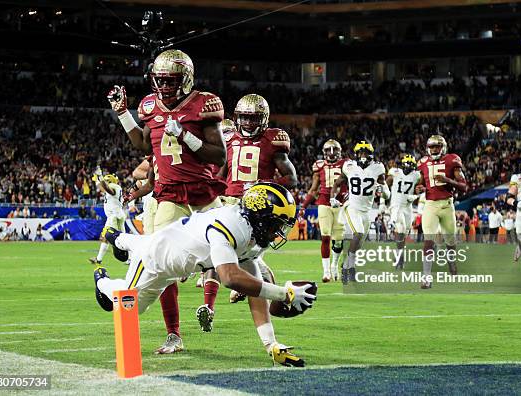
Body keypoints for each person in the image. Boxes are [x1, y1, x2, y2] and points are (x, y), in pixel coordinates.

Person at [94, 182, 314, 367]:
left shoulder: (253, 234)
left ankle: (118, 238)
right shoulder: (231, 224)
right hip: (154, 261)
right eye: (275, 224)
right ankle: (102, 280)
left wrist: (271, 344)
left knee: (135, 245)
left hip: (173, 258)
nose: (277, 233)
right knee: (127, 308)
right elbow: (230, 277)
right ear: (260, 217)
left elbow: (254, 288)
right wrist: (284, 293)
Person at [108, 49, 226, 354]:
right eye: (159, 80)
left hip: (203, 192)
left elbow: (219, 155)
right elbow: (143, 144)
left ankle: (219, 305)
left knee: (228, 251)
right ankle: (174, 334)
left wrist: (186, 135)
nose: (163, 86)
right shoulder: (149, 105)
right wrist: (123, 113)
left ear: (185, 80)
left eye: (170, 80)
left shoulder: (204, 104)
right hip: (170, 194)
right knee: (159, 263)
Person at [213, 95, 298, 328]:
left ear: (263, 119)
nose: (248, 123)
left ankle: (276, 295)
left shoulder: (272, 140)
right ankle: (267, 293)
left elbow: (291, 177)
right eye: (244, 118)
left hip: (257, 207)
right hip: (230, 202)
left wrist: (263, 187)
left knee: (247, 256)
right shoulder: (228, 138)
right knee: (234, 254)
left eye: (253, 118)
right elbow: (219, 174)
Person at [330, 141, 389, 284]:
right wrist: (332, 197)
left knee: (359, 243)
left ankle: (349, 265)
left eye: (366, 153)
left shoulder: (378, 168)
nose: (363, 156)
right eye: (361, 153)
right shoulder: (349, 166)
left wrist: (383, 192)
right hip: (352, 207)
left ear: (371, 154)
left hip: (367, 211)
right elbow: (337, 184)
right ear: (356, 154)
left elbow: (386, 192)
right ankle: (347, 267)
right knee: (359, 233)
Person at [415, 135, 467, 289]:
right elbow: (420, 184)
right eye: (432, 147)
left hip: (447, 205)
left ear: (443, 147)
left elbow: (464, 186)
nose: (434, 149)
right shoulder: (423, 162)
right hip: (430, 205)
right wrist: (419, 188)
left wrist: (448, 180)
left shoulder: (452, 159)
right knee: (428, 240)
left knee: (450, 241)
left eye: (437, 146)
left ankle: (451, 261)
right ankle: (426, 277)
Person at [301, 139, 347, 282]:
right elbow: (313, 189)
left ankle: (334, 264)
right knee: (325, 236)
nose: (332, 153)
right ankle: (326, 272)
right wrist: (303, 206)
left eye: (334, 150)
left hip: (341, 204)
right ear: (324, 152)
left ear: (340, 152)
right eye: (328, 150)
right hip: (324, 203)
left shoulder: (347, 164)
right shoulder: (319, 166)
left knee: (338, 241)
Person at [386, 154, 420, 270]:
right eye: (407, 164)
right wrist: (381, 202)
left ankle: (399, 254)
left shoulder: (416, 175)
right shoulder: (395, 172)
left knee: (405, 233)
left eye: (411, 165)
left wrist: (415, 195)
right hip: (396, 205)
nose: (408, 167)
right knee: (401, 229)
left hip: (408, 207)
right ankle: (399, 257)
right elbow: (385, 185)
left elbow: (422, 187)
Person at [89, 171, 126, 265]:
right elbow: (102, 188)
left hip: (115, 217)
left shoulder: (114, 187)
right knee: (112, 238)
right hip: (114, 216)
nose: (105, 182)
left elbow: (107, 188)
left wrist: (100, 177)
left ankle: (130, 259)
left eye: (106, 181)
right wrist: (97, 180)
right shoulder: (112, 187)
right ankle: (98, 259)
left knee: (117, 238)